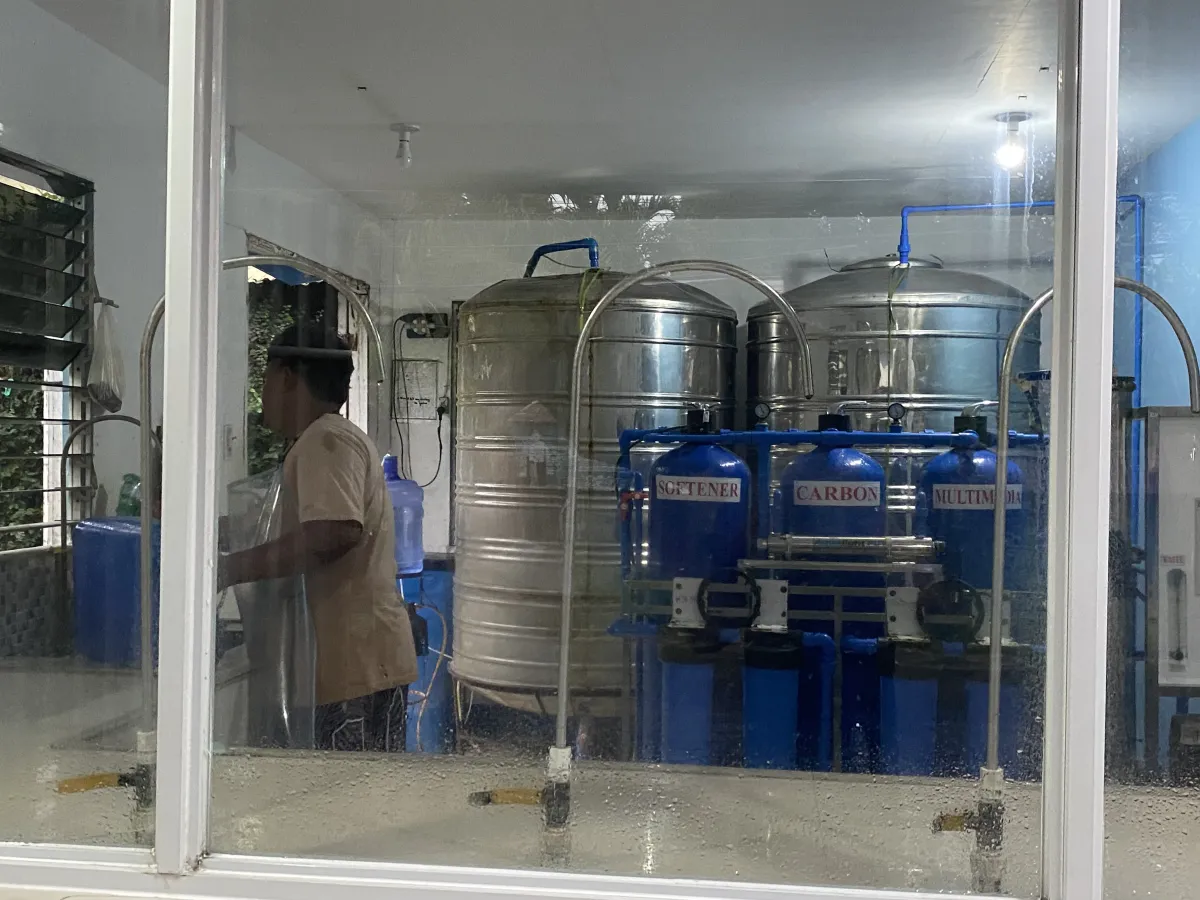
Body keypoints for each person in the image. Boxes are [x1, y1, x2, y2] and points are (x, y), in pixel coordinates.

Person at [219, 322, 417, 751]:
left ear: (287, 377)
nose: (264, 393)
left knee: (349, 803)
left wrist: (227, 569)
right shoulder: (326, 439)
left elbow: (333, 531)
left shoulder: (324, 440)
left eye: (265, 379)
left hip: (354, 667)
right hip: (357, 664)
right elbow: (294, 522)